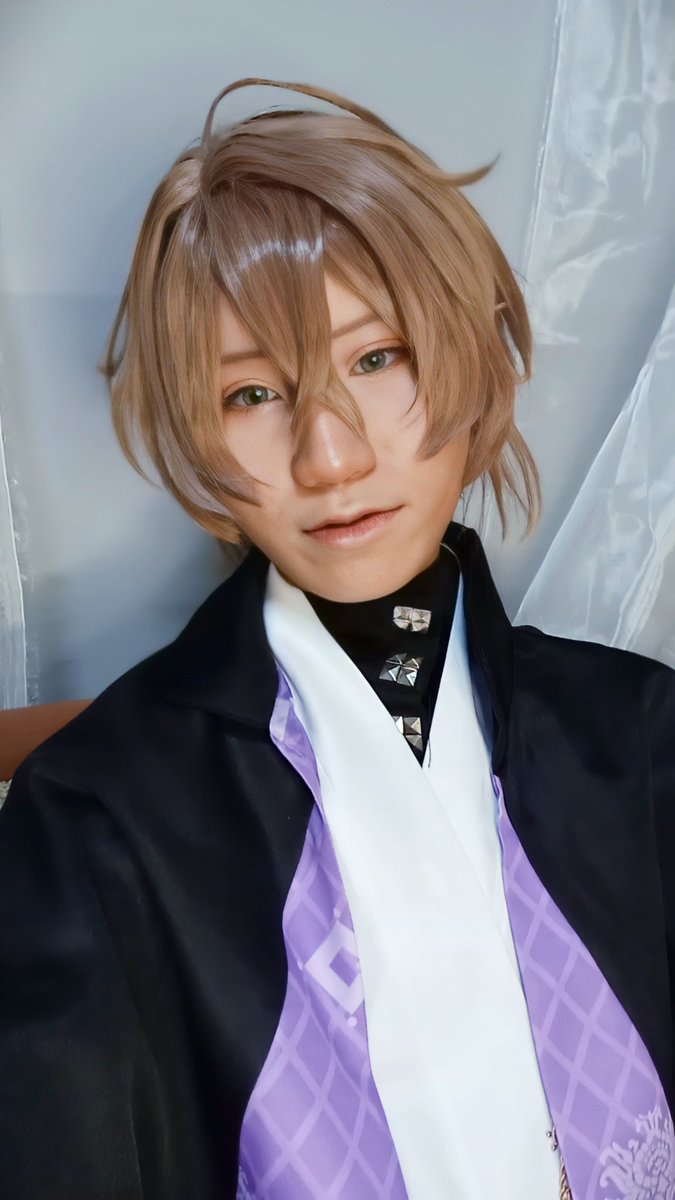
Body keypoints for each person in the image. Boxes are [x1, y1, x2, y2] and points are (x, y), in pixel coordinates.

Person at [0, 75, 673, 1200]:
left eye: (375, 359)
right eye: (252, 396)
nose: (330, 457)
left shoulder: (639, 732)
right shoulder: (97, 813)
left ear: (472, 355)